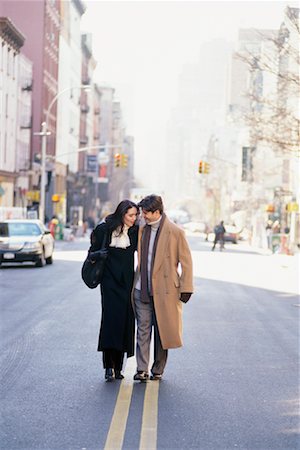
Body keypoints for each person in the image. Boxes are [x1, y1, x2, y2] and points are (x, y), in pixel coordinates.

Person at [132, 194, 193, 382]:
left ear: (157, 212)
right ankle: (141, 369)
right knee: (143, 330)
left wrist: (186, 287)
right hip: (142, 288)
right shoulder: (142, 228)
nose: (143, 216)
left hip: (165, 290)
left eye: (146, 213)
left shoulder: (175, 232)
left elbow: (187, 262)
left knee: (162, 331)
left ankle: (158, 368)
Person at [88, 200, 139, 382]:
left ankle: (119, 368)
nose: (134, 219)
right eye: (130, 215)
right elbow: (91, 253)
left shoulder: (135, 231)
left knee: (125, 323)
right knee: (110, 322)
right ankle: (108, 367)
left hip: (127, 283)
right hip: (109, 283)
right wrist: (98, 255)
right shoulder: (104, 229)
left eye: (135, 215)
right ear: (122, 214)